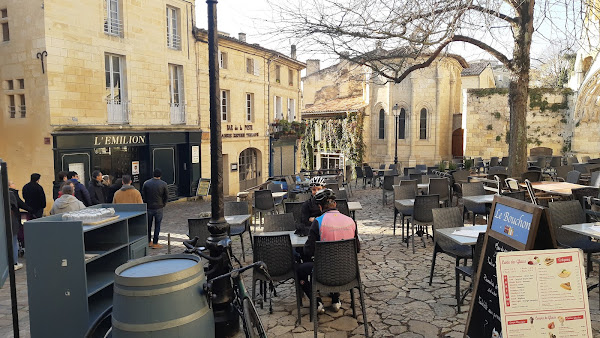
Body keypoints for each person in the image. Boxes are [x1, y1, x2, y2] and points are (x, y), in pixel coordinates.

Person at [297, 189, 360, 314]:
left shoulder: (318, 222)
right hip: (348, 272)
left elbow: (308, 251)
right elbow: (357, 248)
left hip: (324, 273)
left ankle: (316, 302)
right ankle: (336, 298)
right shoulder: (351, 221)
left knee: (298, 270)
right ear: (335, 204)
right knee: (336, 261)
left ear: (320, 207)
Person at [8, 181, 33, 271]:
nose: (14, 184)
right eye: (13, 183)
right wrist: (31, 210)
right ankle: (14, 262)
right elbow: (17, 205)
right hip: (12, 221)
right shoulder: (11, 194)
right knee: (14, 241)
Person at [142, 169, 168, 249]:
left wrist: (146, 203)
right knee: (157, 225)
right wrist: (163, 203)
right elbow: (166, 196)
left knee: (148, 225)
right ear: (160, 175)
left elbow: (143, 195)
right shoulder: (163, 184)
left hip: (149, 207)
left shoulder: (146, 183)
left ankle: (148, 241)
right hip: (159, 207)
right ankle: (155, 242)